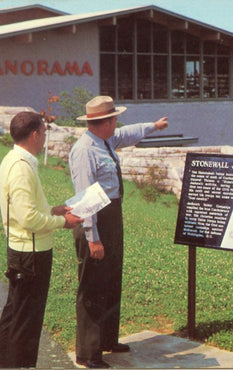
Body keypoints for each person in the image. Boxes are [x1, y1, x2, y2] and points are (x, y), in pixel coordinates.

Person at [69, 96, 168, 369]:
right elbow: (85, 199)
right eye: (115, 119)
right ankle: (88, 353)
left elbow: (128, 133)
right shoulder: (84, 150)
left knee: (111, 280)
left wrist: (153, 126)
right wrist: (93, 238)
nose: (118, 124)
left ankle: (107, 339)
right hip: (95, 219)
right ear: (106, 122)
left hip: (112, 216)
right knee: (92, 286)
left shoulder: (105, 141)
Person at [0, 111, 83, 368]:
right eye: (44, 132)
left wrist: (53, 210)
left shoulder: (13, 160)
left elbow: (27, 208)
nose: (44, 137)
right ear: (34, 135)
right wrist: (62, 222)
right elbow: (28, 219)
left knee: (14, 318)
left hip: (23, 251)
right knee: (26, 324)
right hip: (31, 255)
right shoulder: (22, 168)